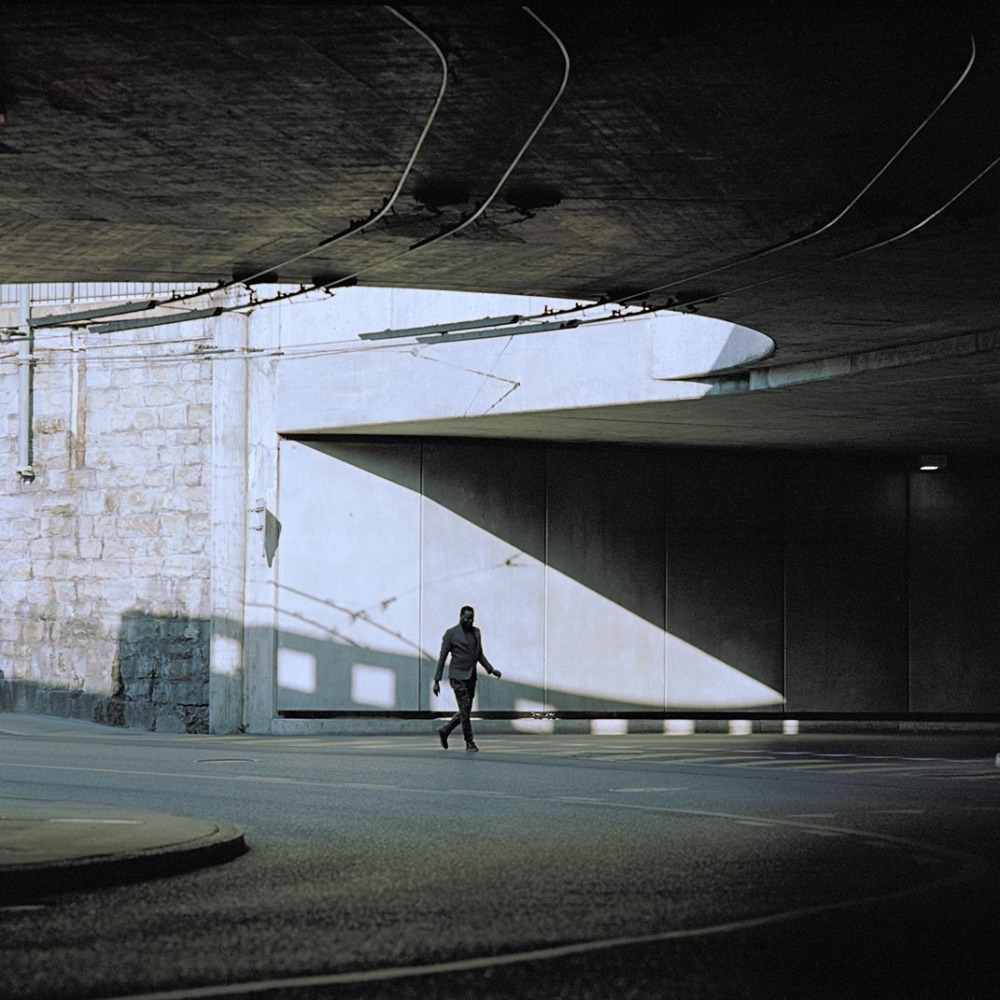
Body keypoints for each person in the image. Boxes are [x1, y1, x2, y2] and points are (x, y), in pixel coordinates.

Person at [433, 605, 502, 752]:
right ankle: (469, 742)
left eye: (472, 618)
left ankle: (445, 730)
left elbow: (479, 655)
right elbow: (442, 658)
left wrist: (490, 669)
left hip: (471, 677)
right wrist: (436, 681)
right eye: (467, 618)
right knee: (465, 709)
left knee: (465, 710)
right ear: (460, 617)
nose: (470, 621)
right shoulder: (451, 634)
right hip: (457, 677)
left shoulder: (476, 632)